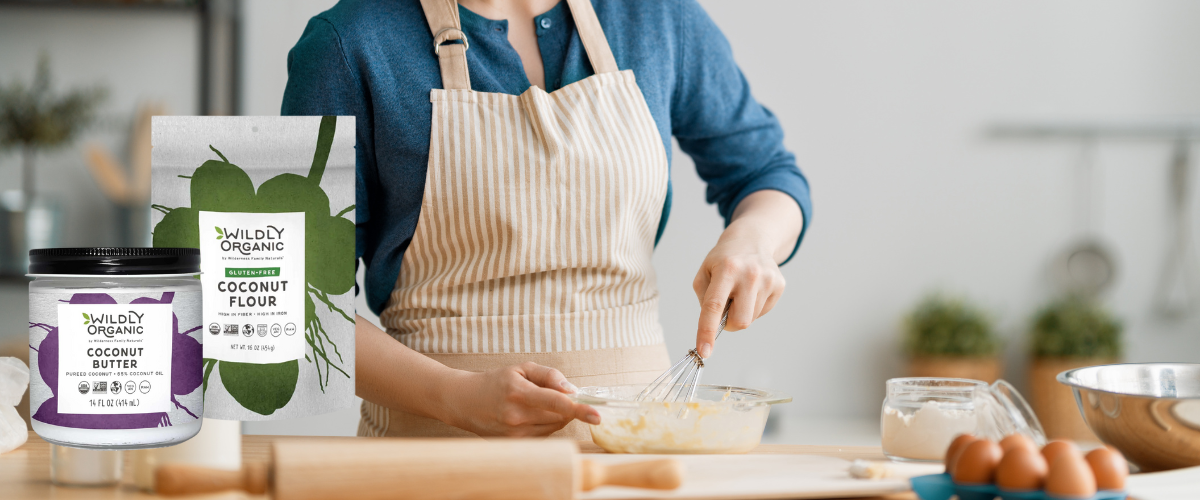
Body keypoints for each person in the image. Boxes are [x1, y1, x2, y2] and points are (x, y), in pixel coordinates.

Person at [282, 0, 811, 439]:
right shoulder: (346, 45)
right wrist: (453, 396)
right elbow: (293, 302)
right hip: (434, 457)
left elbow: (766, 173)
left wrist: (754, 239)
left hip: (635, 457)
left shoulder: (654, 17)